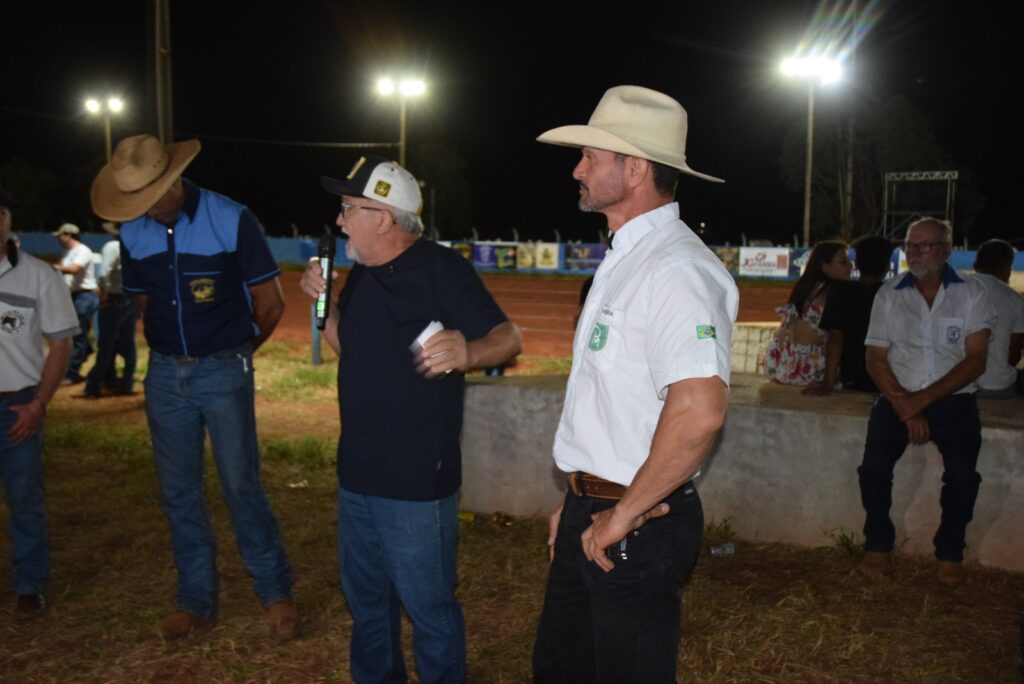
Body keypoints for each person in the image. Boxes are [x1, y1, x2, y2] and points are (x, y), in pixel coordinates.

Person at [531, 85, 739, 682]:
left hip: (636, 522)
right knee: (561, 669)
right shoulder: (629, 259)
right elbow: (614, 402)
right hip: (595, 508)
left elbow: (700, 412)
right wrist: (575, 495)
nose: (578, 168)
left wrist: (621, 512)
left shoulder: (676, 268)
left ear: (637, 168)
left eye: (591, 157)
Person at [300, 155, 521, 683]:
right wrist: (327, 311)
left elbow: (507, 337)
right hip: (357, 475)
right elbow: (349, 348)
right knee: (367, 609)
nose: (340, 220)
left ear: (384, 217)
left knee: (430, 610)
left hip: (417, 484)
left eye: (349, 208)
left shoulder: (441, 270)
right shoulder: (359, 274)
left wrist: (468, 351)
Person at [89, 134, 298, 641]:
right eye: (134, 202)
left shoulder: (231, 218)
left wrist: (235, 356)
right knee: (179, 493)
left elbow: (269, 304)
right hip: (164, 375)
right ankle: (196, 600)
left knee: (240, 485)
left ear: (174, 179)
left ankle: (275, 593)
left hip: (224, 370)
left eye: (151, 197)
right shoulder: (133, 231)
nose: (145, 210)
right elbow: (144, 303)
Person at [857, 218, 993, 589]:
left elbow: (975, 360)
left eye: (925, 246)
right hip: (897, 395)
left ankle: (950, 554)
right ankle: (878, 544)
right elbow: (875, 359)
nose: (915, 253)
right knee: (872, 470)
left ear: (947, 250)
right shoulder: (889, 294)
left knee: (963, 477)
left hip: (954, 401)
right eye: (910, 246)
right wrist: (904, 403)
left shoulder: (972, 292)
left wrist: (920, 402)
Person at [0, 184, 79, 620]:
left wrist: (39, 405)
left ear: (8, 220)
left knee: (24, 498)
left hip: (17, 406)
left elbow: (61, 347)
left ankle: (30, 584)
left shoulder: (39, 276)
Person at [803, 235, 893, 395]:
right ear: (887, 267)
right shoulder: (893, 294)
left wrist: (827, 383)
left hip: (851, 378)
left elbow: (835, 339)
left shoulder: (839, 291)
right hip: (886, 380)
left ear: (857, 263)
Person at [763, 240, 851, 385]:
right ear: (825, 267)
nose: (850, 266)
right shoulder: (834, 291)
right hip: (809, 370)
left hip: (778, 363)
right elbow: (836, 340)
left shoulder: (804, 287)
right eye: (843, 262)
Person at [83, 222, 139, 397]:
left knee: (106, 344)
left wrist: (103, 293)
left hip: (115, 300)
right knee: (128, 343)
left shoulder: (113, 246)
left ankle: (95, 384)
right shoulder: (136, 246)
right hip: (132, 299)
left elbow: (103, 273)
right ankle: (126, 383)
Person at [970, 239, 1023, 397]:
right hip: (997, 387)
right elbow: (1013, 356)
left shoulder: (952, 290)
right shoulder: (1016, 300)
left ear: (975, 265)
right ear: (1007, 268)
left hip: (953, 388)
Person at [51, 223, 98, 384]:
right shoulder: (69, 253)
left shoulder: (82, 251)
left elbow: (74, 269)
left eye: (60, 235)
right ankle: (85, 351)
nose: (58, 238)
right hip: (75, 297)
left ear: (68, 235)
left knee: (77, 335)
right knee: (77, 335)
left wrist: (52, 267)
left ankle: (72, 374)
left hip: (84, 296)